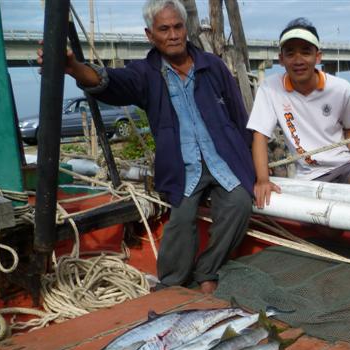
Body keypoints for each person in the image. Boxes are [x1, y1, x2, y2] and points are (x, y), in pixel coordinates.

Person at [38, 0, 254, 294]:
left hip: (223, 160)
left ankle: (208, 268)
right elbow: (110, 81)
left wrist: (254, 170)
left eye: (178, 27)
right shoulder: (145, 73)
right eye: (164, 29)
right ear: (150, 35)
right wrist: (75, 68)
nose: (174, 34)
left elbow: (239, 117)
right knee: (182, 219)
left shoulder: (212, 66)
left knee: (241, 203)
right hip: (183, 166)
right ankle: (172, 283)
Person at [247, 18, 350, 209]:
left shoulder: (341, 88)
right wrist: (262, 180)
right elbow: (259, 134)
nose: (298, 60)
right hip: (309, 173)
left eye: (306, 52)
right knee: (328, 229)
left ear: (318, 57)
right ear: (281, 59)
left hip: (345, 164)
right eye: (290, 53)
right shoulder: (270, 88)